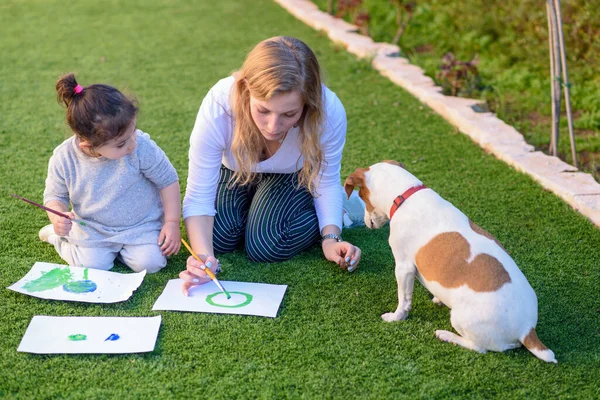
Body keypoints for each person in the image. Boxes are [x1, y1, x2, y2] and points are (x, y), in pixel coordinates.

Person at [180, 36, 362, 294]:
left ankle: (343, 211)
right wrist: (203, 259)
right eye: (263, 110)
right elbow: (198, 195)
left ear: (308, 103)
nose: (272, 127)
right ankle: (257, 209)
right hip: (235, 171)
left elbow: (326, 179)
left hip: (291, 176)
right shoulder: (220, 105)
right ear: (246, 90)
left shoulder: (328, 111)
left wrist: (331, 237)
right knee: (218, 237)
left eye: (289, 114)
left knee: (265, 244)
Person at [39, 73, 181, 273]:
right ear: (88, 146)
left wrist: (172, 222)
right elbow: (55, 196)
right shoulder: (64, 158)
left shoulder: (141, 146)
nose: (132, 144)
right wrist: (57, 217)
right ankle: (57, 238)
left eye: (133, 131)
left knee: (151, 264)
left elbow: (168, 181)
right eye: (121, 143)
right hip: (93, 229)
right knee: (93, 266)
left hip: (141, 226)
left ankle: (124, 252)